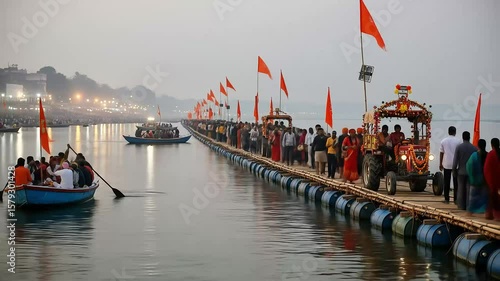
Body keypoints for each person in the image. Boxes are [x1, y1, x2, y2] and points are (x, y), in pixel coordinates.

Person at [452, 131, 478, 210]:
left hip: (461, 171)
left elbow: (455, 161)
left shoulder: (459, 147)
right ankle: (467, 205)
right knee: (468, 189)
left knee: (460, 189)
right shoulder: (474, 148)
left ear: (463, 137)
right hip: (470, 172)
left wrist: (454, 171)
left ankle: (461, 205)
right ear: (469, 137)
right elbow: (476, 161)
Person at [466, 139, 488, 215]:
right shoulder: (488, 155)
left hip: (475, 179)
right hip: (485, 180)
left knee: (473, 196)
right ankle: (484, 212)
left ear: (478, 146)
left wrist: (472, 177)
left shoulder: (474, 156)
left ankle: (470, 212)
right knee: (484, 197)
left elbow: (469, 166)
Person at [440, 126, 462, 204]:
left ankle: (446, 199)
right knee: (456, 183)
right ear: (455, 132)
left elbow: (441, 153)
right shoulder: (458, 141)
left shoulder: (443, 141)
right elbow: (459, 153)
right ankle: (456, 199)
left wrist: (440, 164)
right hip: (456, 164)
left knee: (446, 182)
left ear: (448, 132)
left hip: (446, 163)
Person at [484, 138, 500, 221]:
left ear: (491, 145)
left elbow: (487, 168)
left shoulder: (491, 154)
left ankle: (491, 215)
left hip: (493, 180)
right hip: (498, 180)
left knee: (491, 197)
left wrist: (488, 180)